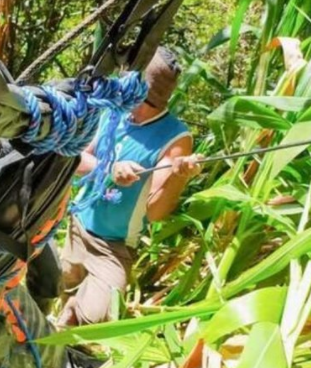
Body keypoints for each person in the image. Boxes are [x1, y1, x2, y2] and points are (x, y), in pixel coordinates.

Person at [58, 47, 203, 326]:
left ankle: (76, 314)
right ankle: (64, 322)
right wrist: (109, 169)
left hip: (114, 247)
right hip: (78, 228)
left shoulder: (175, 137)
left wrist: (179, 176)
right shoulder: (112, 111)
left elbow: (155, 211)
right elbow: (75, 158)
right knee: (63, 289)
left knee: (96, 318)